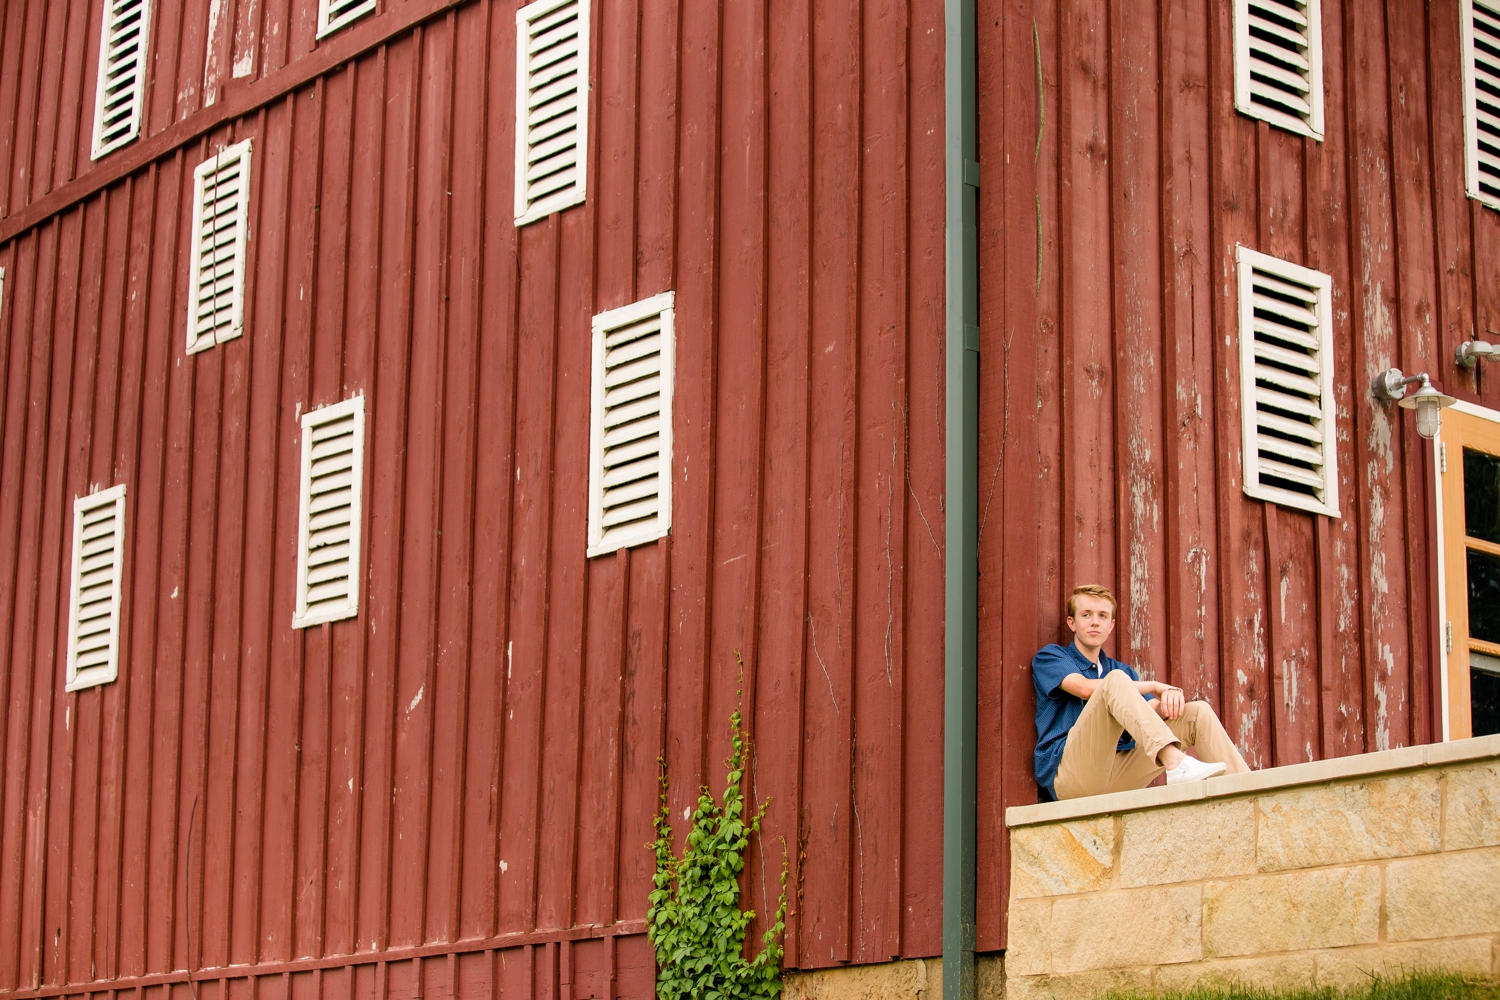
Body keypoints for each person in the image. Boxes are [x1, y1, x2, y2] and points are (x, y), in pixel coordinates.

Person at [1032, 584, 1250, 801]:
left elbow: (1148, 711)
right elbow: (1084, 688)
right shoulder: (1051, 657)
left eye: (1103, 616)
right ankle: (1174, 762)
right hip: (1072, 778)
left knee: (1197, 712)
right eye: (1086, 615)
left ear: (1111, 625)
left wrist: (1170, 697)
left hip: (1117, 776)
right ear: (1072, 622)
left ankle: (1248, 793)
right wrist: (1155, 686)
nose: (1095, 622)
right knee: (1115, 681)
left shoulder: (1121, 670)